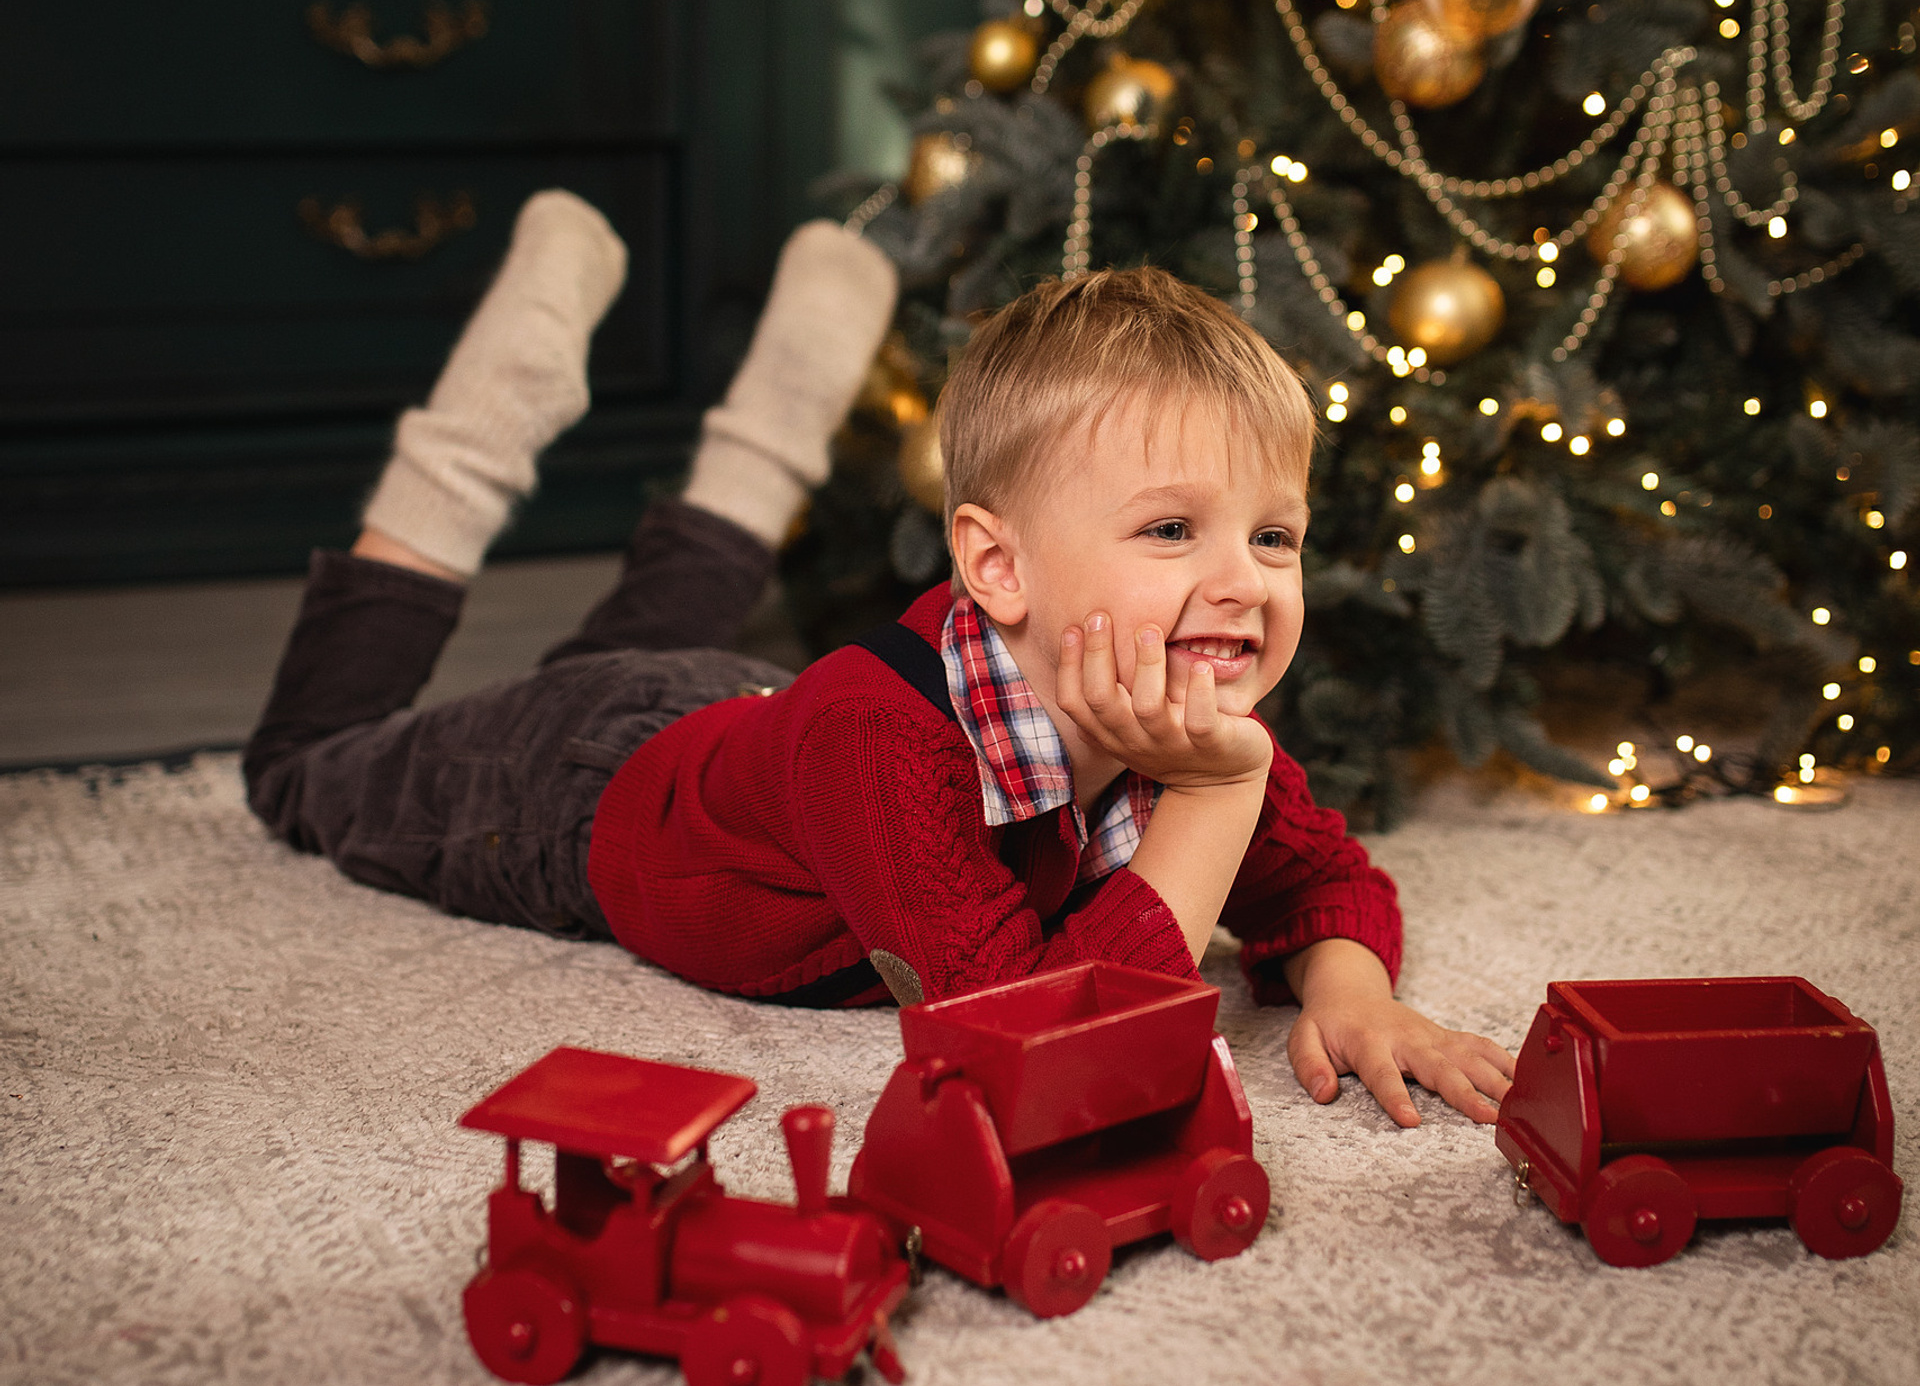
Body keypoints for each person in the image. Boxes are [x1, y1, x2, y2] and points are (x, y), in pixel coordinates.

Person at [245, 190, 1513, 1129]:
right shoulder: (886, 743)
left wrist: (1350, 987)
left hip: (730, 718)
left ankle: (772, 418)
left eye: (1275, 535)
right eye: (1172, 528)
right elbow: (1011, 1040)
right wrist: (1219, 801)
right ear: (998, 568)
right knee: (301, 774)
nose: (1243, 576)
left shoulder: (1175, 706)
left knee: (647, 649)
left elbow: (1324, 880)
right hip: (564, 798)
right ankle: (478, 430)